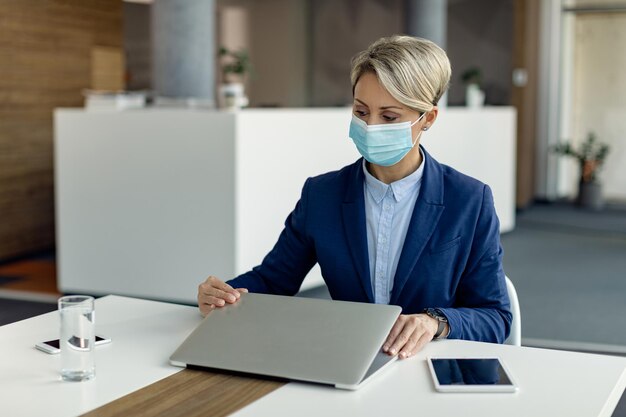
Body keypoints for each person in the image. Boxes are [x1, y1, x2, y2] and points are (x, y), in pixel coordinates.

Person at [198, 35, 512, 360]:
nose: (370, 126)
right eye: (361, 111)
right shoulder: (322, 196)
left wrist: (436, 322)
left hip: (426, 368)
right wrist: (222, 293)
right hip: (348, 362)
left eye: (389, 117)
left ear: (428, 119)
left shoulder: (470, 201)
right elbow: (273, 279)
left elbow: (495, 317)